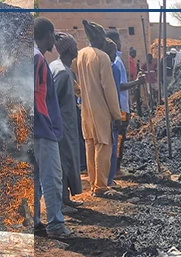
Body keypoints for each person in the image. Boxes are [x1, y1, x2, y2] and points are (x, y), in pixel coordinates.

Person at [75, 20, 123, 198]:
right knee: (103, 145)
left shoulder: (80, 55)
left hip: (85, 108)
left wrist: (81, 92)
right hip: (101, 108)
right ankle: (101, 186)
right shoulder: (102, 57)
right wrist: (116, 115)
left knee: (90, 145)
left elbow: (74, 79)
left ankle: (94, 183)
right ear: (100, 38)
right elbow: (109, 90)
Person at [32, 18, 70, 238]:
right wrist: (45, 124)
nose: (53, 41)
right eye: (52, 35)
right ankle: (55, 224)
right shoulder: (37, 58)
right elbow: (35, 94)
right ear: (47, 34)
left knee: (35, 178)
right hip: (42, 128)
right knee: (52, 177)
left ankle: (36, 221)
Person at [105, 30, 144, 187]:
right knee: (119, 139)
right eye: (118, 41)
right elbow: (119, 85)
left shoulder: (115, 61)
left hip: (121, 104)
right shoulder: (116, 62)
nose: (121, 44)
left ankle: (115, 169)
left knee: (118, 139)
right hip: (120, 106)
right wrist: (136, 82)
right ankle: (116, 170)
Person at [50, 33, 84, 212]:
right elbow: (52, 100)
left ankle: (66, 198)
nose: (77, 49)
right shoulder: (62, 73)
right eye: (75, 46)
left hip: (67, 124)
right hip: (62, 126)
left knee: (68, 160)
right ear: (70, 50)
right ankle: (61, 203)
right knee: (63, 162)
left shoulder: (61, 68)